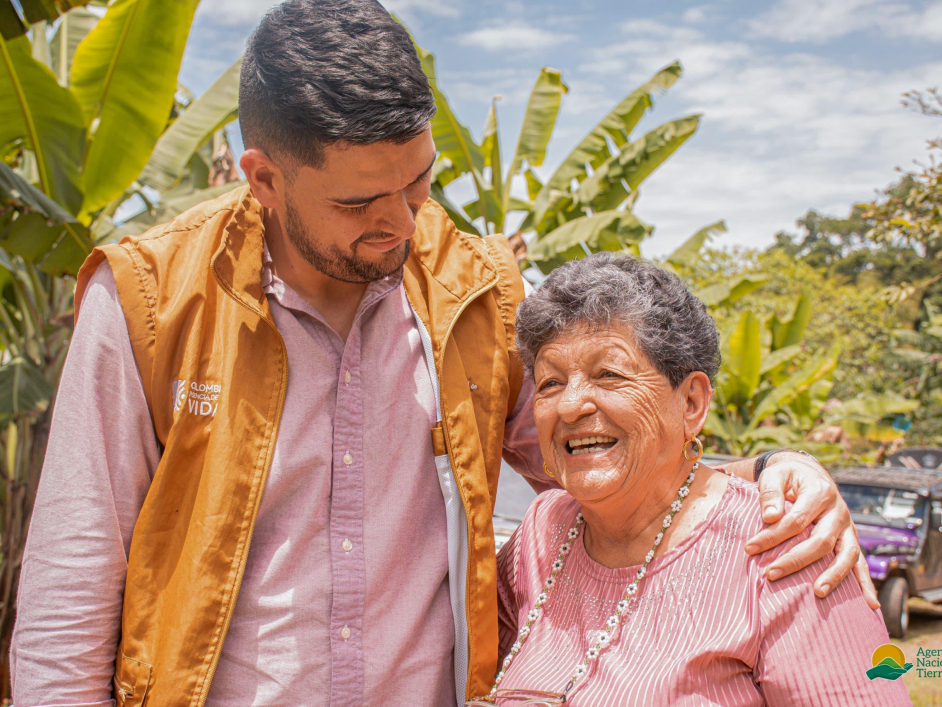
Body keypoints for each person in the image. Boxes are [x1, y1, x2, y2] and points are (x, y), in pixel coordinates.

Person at [11, 1, 872, 705]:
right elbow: (67, 606)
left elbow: (618, 454)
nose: (401, 220)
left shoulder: (477, 293)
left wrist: (772, 467)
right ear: (264, 178)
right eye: (360, 203)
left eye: (417, 181)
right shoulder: (151, 298)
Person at [480, 253, 909, 706]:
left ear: (691, 404)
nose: (569, 406)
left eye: (608, 374)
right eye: (550, 383)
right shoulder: (544, 532)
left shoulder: (785, 545)